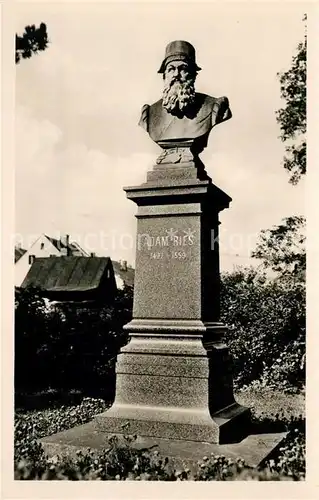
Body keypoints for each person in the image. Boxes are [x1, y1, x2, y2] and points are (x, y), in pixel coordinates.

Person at [139, 40, 232, 164]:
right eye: (171, 69)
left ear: (193, 75)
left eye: (183, 69)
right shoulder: (149, 113)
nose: (176, 74)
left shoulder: (214, 107)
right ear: (164, 76)